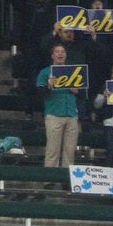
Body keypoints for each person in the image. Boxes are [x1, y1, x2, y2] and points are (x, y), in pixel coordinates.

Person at [37, 41, 81, 169]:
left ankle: (66, 179)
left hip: (71, 114)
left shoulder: (74, 72)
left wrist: (77, 91)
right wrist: (49, 86)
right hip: (54, 114)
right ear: (52, 56)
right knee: (53, 149)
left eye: (62, 52)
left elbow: (83, 94)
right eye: (57, 52)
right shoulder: (45, 72)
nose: (60, 54)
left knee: (70, 151)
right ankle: (50, 179)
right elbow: (40, 93)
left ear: (66, 55)